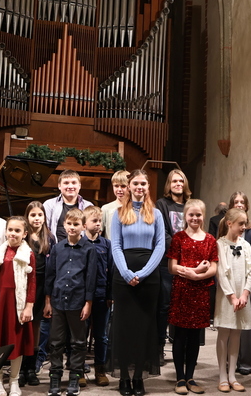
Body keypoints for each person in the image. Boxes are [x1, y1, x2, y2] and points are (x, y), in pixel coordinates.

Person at [110, 169, 165, 396]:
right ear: (129, 186)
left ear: (147, 187)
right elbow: (116, 246)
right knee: (124, 327)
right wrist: (126, 273)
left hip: (148, 278)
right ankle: (124, 376)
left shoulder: (156, 214)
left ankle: (139, 377)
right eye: (136, 184)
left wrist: (142, 273)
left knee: (144, 327)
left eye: (143, 184)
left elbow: (160, 246)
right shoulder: (118, 214)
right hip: (123, 277)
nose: (139, 187)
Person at [44, 209, 98, 396]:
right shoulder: (57, 248)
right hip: (58, 301)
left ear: (83, 226)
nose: (72, 227)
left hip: (78, 301)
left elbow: (91, 277)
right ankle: (55, 377)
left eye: (76, 224)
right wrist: (48, 301)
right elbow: (50, 275)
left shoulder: (89, 249)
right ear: (64, 225)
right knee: (56, 342)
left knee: (78, 342)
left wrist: (88, 303)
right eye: (69, 224)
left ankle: (75, 377)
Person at [167, 199, 218, 395]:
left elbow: (213, 268)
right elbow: (172, 267)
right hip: (182, 291)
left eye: (198, 215)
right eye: (191, 214)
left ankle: (190, 376)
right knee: (180, 335)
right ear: (185, 216)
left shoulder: (210, 240)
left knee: (195, 336)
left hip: (201, 291)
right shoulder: (178, 238)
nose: (195, 218)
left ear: (203, 216)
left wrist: (197, 276)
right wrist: (194, 270)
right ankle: (180, 377)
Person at [0, 216, 36, 396]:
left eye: (17, 230)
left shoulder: (28, 254)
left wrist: (28, 307)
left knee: (16, 343)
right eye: (10, 230)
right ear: (5, 231)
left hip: (17, 304)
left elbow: (32, 282)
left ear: (25, 234)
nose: (13, 233)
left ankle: (14, 381)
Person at [214, 208, 251, 393]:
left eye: (245, 223)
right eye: (241, 224)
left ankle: (232, 376)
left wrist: (244, 294)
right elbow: (221, 273)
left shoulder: (246, 245)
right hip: (226, 296)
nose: (244, 227)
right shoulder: (220, 244)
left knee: (237, 333)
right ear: (229, 223)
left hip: (241, 296)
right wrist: (232, 297)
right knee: (224, 333)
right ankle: (222, 376)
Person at [155, 169, 192, 364]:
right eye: (174, 181)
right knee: (164, 307)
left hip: (188, 263)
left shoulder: (190, 205)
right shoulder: (162, 204)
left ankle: (181, 348)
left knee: (183, 307)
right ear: (169, 185)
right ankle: (159, 347)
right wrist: (181, 249)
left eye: (181, 181)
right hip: (167, 262)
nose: (178, 184)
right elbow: (163, 232)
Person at [82, 205, 113, 386]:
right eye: (94, 221)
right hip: (83, 297)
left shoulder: (106, 244)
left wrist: (110, 294)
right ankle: (79, 370)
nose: (98, 224)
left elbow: (111, 271)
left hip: (102, 295)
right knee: (81, 335)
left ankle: (100, 369)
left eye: (100, 221)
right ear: (84, 224)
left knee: (101, 336)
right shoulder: (80, 243)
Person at [24, 201, 54, 385]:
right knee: (23, 325)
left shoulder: (49, 238)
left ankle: (31, 368)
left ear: (44, 217)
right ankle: (20, 368)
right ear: (27, 217)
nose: (36, 218)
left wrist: (48, 300)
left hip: (42, 286)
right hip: (25, 285)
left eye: (39, 215)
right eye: (33, 215)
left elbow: (52, 269)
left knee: (36, 327)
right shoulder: (23, 235)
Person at [229, 191, 251, 376]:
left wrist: (249, 285)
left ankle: (245, 360)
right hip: (229, 280)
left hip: (246, 280)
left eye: (242, 202)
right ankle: (230, 360)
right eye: (235, 202)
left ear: (246, 206)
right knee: (229, 322)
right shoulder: (225, 228)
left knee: (245, 323)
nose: (239, 204)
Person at [43, 170, 94, 243]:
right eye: (66, 183)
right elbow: (44, 230)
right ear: (59, 186)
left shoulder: (88, 206)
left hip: (81, 248)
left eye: (74, 183)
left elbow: (91, 231)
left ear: (79, 186)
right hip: (56, 247)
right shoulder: (49, 205)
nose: (70, 186)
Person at [101, 170, 130, 240]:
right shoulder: (106, 208)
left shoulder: (135, 207)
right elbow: (98, 232)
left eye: (123, 186)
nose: (119, 189)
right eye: (116, 186)